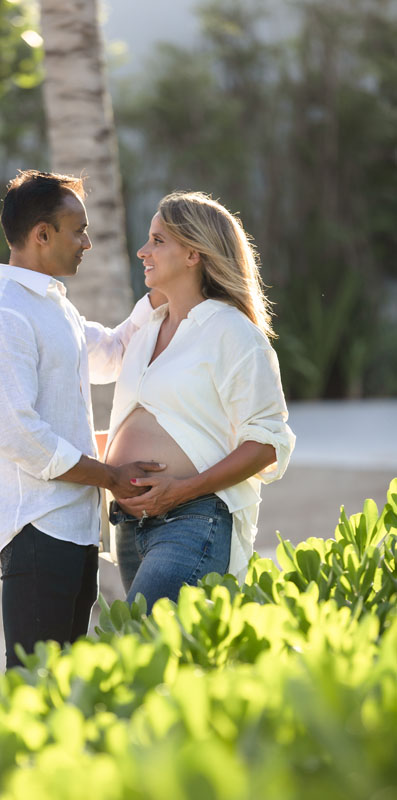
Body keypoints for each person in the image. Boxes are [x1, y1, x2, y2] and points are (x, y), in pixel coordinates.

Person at [0, 170, 162, 668]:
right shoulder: (1, 316)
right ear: (41, 235)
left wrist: (164, 292)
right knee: (33, 684)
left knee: (65, 682)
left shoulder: (54, 306)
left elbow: (113, 354)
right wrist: (110, 477)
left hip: (76, 529)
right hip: (36, 529)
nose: (87, 242)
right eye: (78, 230)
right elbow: (20, 437)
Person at [104, 191, 295, 609]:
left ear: (193, 253)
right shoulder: (146, 328)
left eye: (157, 241)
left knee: (138, 646)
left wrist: (182, 490)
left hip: (192, 519)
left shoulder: (233, 332)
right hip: (129, 527)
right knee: (164, 665)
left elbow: (266, 443)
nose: (142, 251)